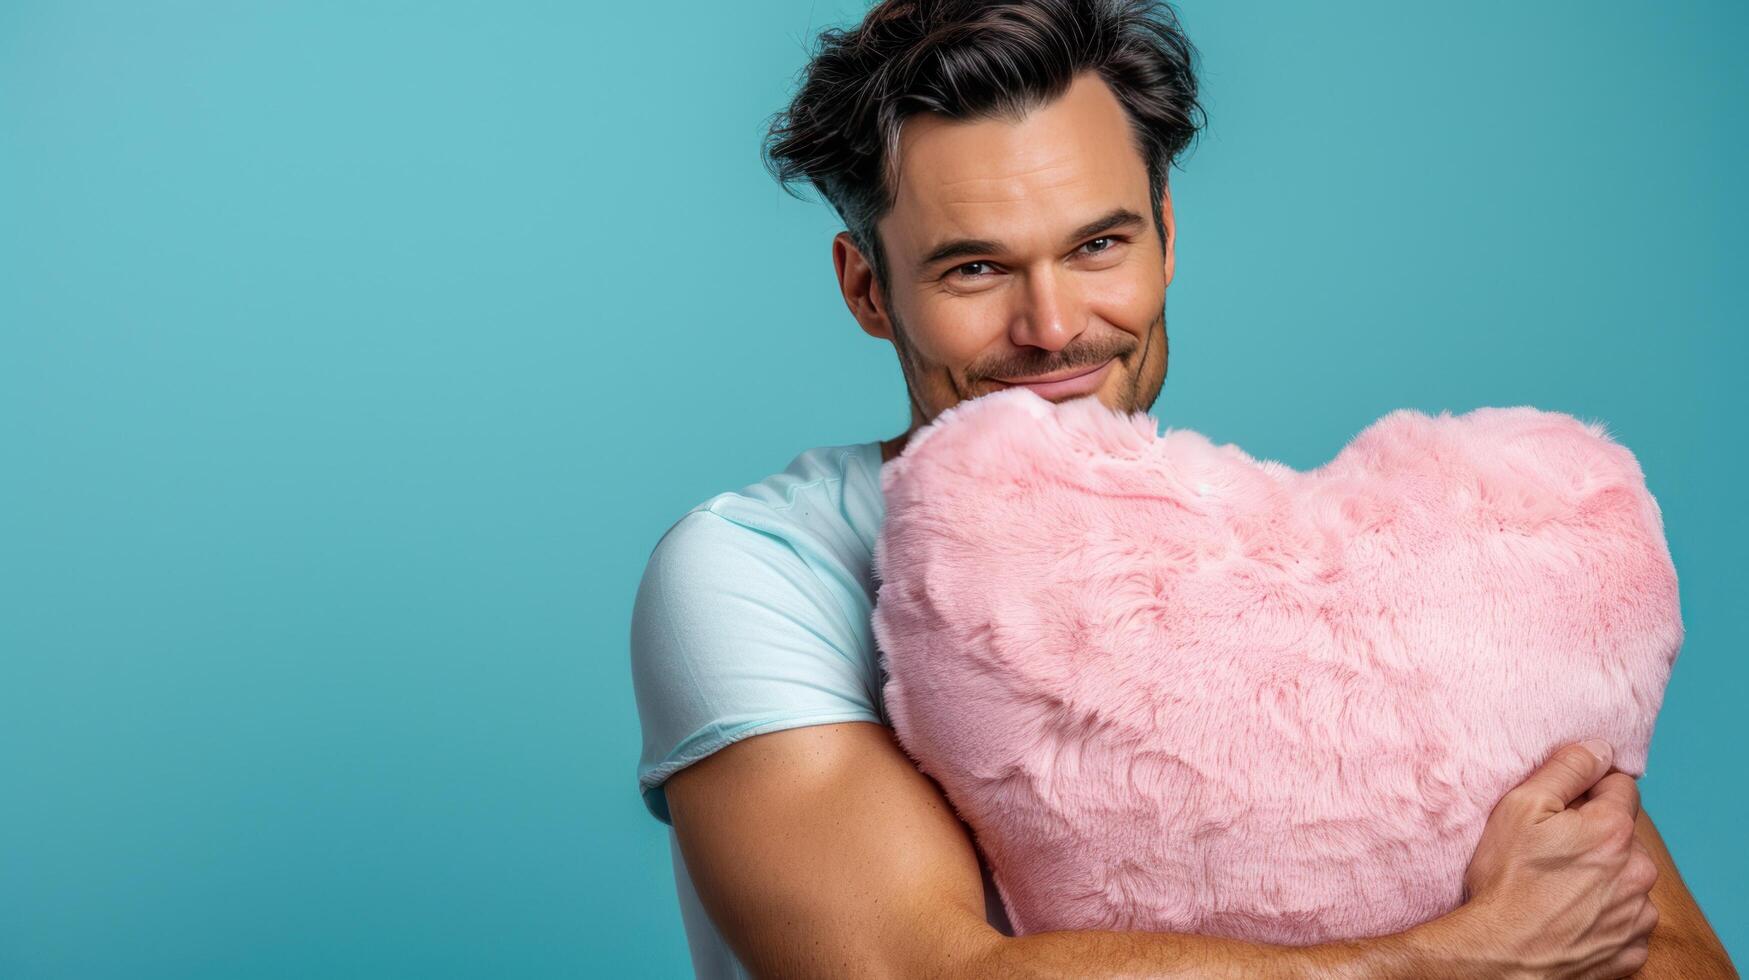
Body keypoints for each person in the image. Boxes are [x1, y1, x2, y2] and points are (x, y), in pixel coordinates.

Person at [628, 1, 1736, 976]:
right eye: (976, 266)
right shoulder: (759, 569)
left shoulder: (1322, 565)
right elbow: (910, 969)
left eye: (1098, 244)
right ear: (868, 288)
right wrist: (1453, 956)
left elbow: (1662, 946)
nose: (1053, 326)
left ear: (1166, 237)